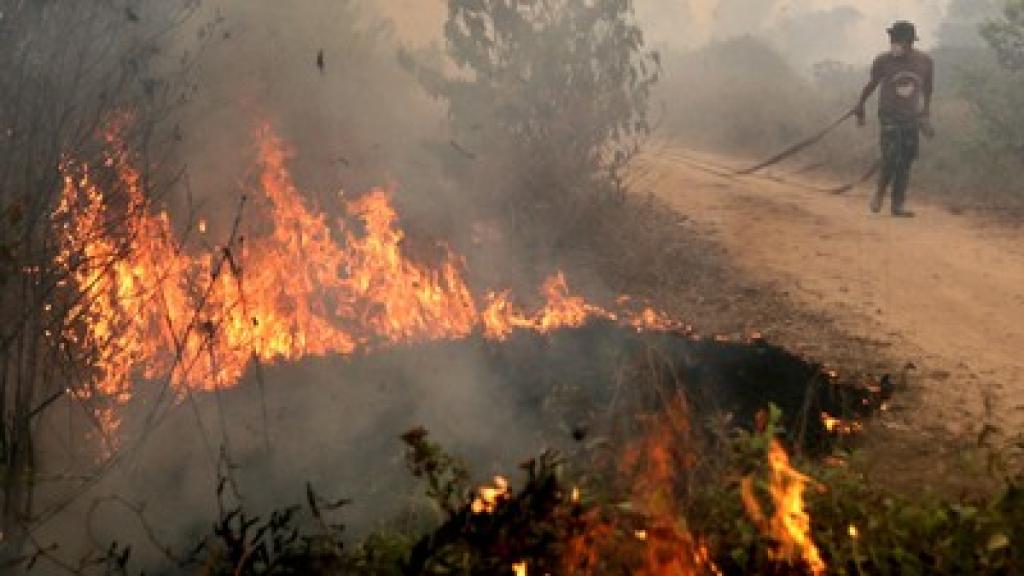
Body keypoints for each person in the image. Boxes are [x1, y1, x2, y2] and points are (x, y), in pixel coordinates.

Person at [854, 21, 934, 217]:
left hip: (911, 117)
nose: (893, 43)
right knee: (890, 156)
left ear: (909, 42)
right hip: (888, 115)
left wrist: (925, 114)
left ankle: (897, 205)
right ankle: (879, 192)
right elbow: (872, 84)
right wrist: (860, 105)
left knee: (906, 161)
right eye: (892, 39)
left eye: (898, 40)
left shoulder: (925, 62)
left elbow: (928, 89)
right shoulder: (883, 60)